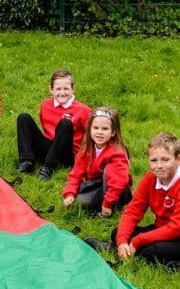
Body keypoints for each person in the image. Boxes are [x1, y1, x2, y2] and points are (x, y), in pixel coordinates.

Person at [87, 133, 179, 268]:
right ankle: (120, 248)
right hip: (162, 228)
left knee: (150, 250)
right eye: (154, 160)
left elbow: (175, 228)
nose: (159, 166)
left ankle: (170, 262)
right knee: (118, 233)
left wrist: (138, 241)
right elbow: (133, 211)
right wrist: (122, 241)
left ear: (177, 159)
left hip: (177, 234)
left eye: (165, 160)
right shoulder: (150, 178)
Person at [16, 69, 92, 180]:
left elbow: (93, 134)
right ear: (51, 90)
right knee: (23, 118)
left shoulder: (83, 110)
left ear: (73, 89)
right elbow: (46, 129)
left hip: (68, 154)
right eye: (58, 89)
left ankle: (48, 167)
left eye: (66, 88)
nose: (62, 92)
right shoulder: (45, 105)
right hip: (49, 148)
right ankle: (27, 161)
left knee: (65, 123)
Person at [63, 107, 132, 216]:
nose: (99, 132)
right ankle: (97, 203)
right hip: (96, 185)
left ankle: (115, 206)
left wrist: (107, 203)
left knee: (109, 170)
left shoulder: (116, 153)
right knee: (81, 202)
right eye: (96, 128)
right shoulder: (86, 150)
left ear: (113, 132)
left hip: (116, 189)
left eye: (104, 129)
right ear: (89, 129)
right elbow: (76, 174)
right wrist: (70, 193)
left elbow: (120, 180)